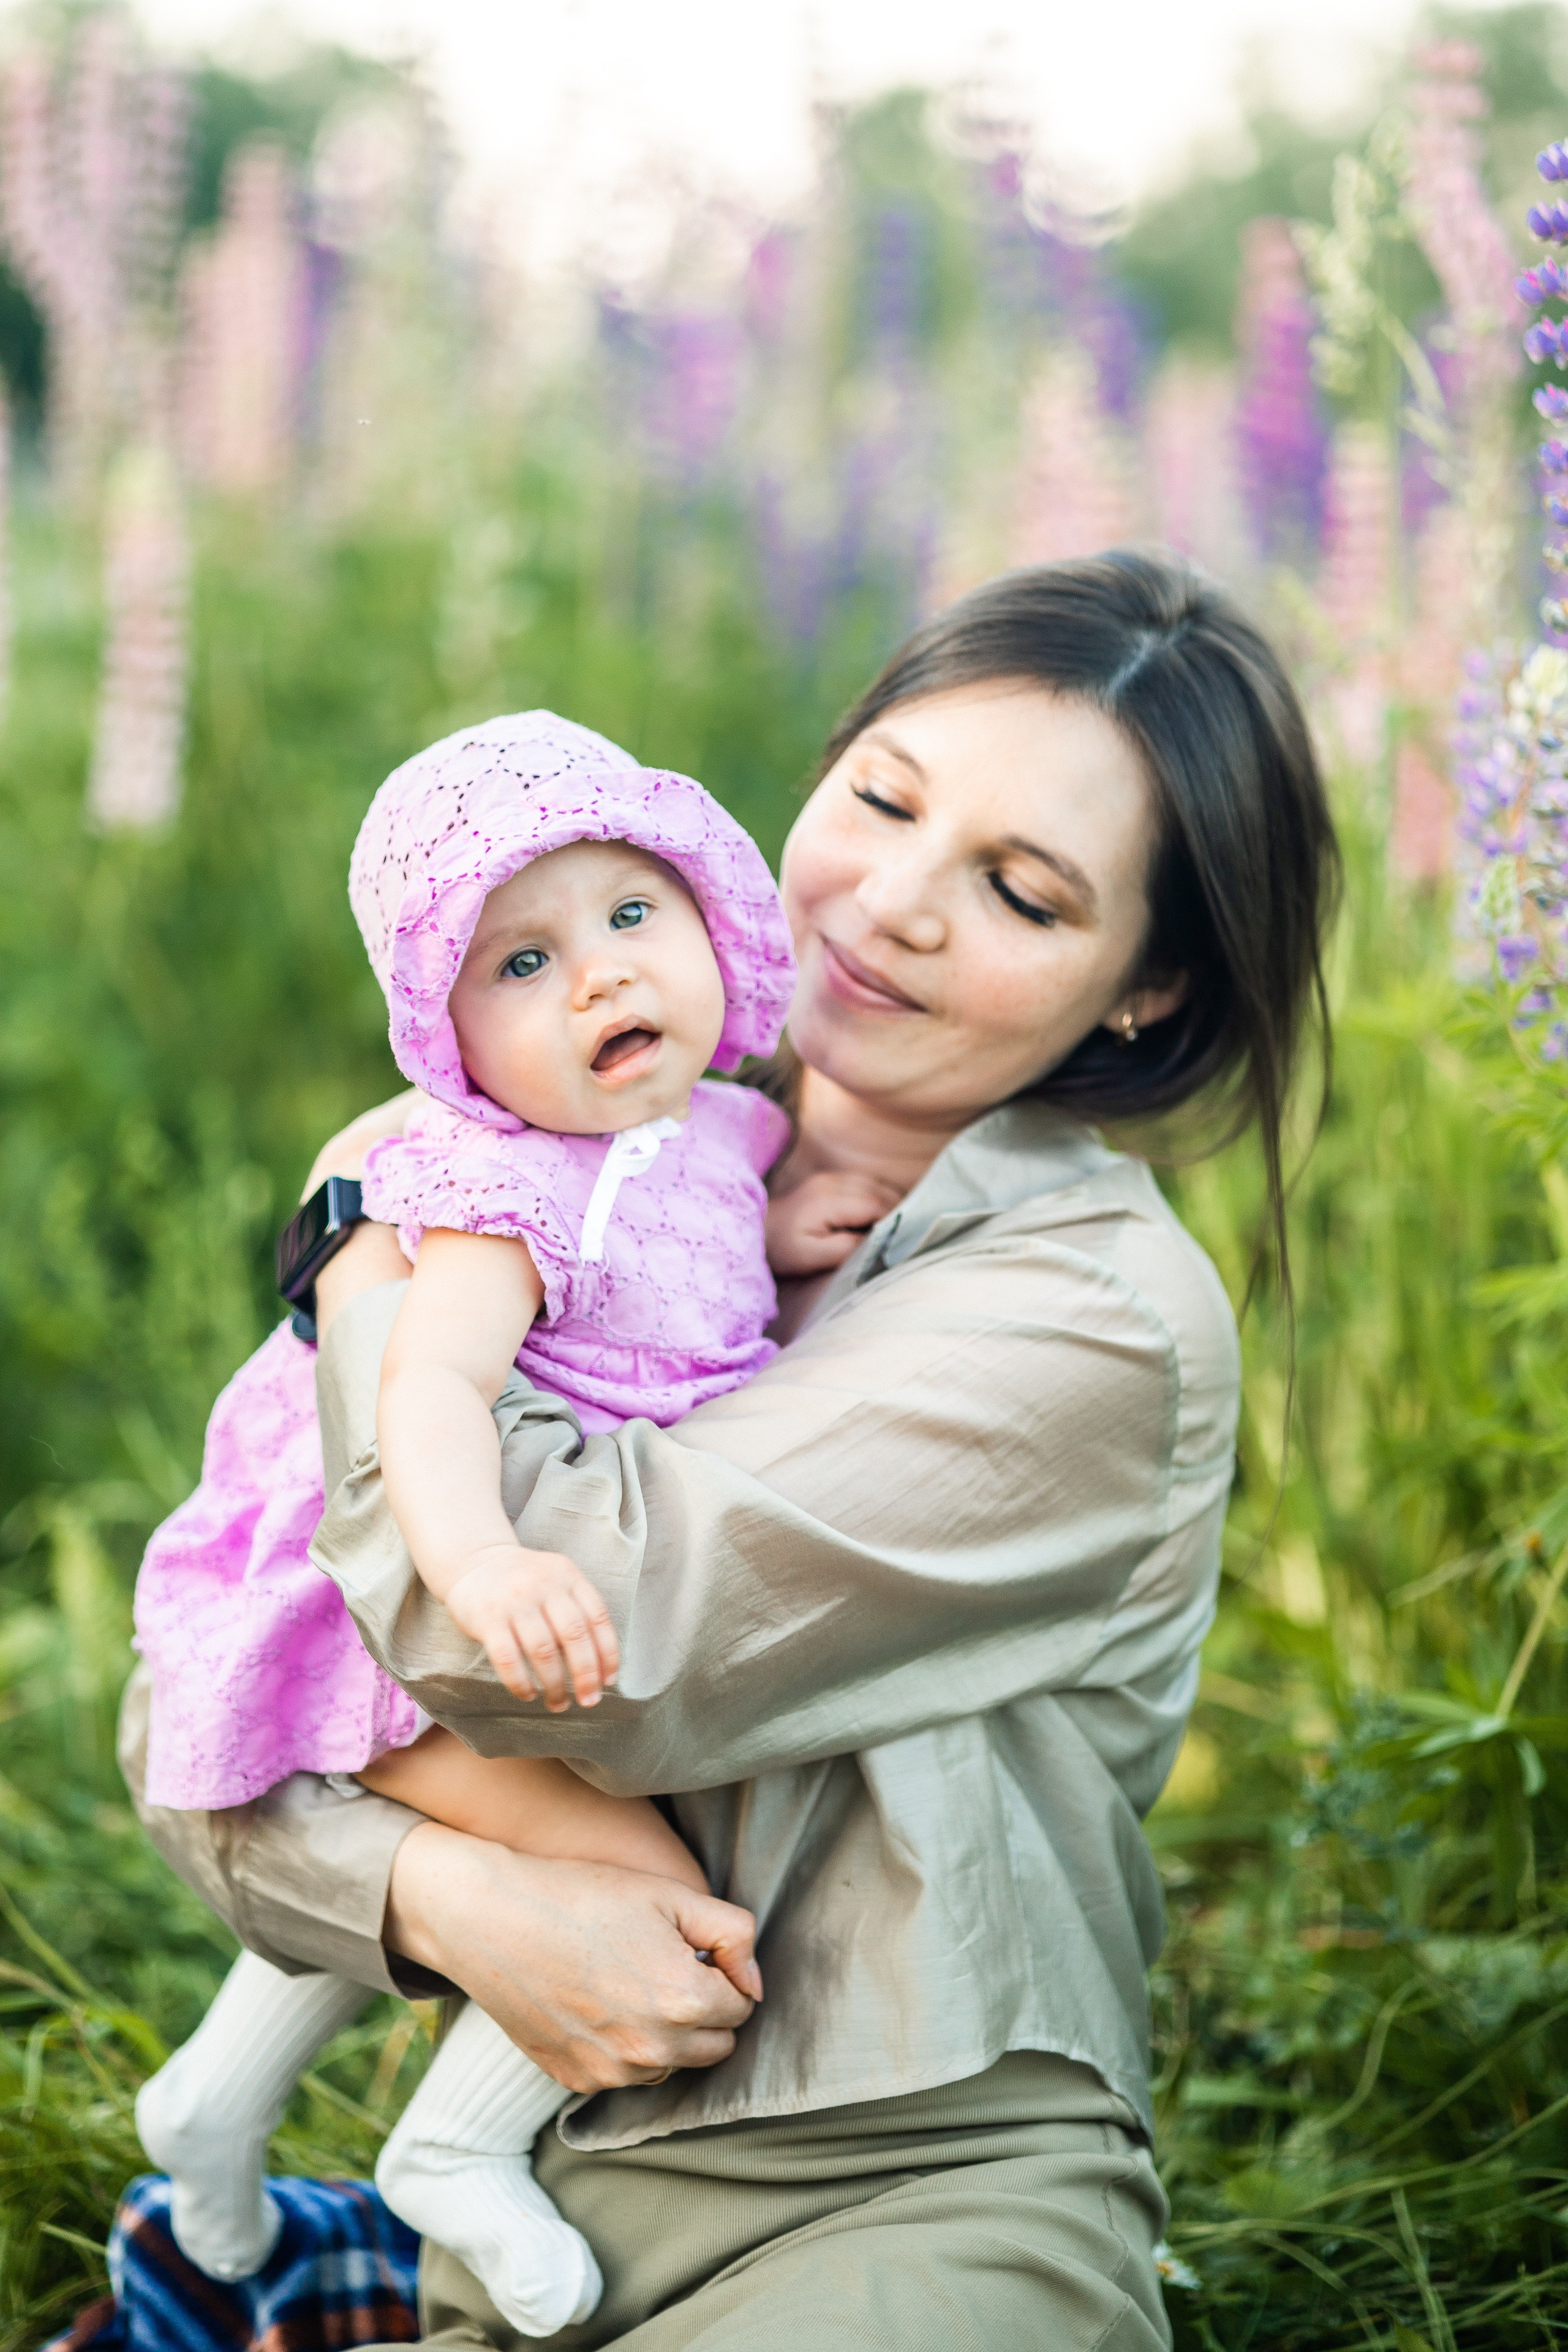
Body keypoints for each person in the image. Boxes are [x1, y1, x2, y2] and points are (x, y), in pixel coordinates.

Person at [121, 549, 1339, 2351]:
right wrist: (447, 1898)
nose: (896, 904)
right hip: (538, 2226)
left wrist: (364, 1241)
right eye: (885, 797)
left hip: (903, 2200)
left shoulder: (1093, 1314)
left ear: (1147, 986)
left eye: (1018, 888)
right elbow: (205, 1689)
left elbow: (527, 1654)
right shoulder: (642, 1176)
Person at [130, 714, 883, 2334]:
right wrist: (479, 1563)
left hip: (528, 1588)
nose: (603, 979)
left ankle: (213, 2097)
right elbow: (423, 1395)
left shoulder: (725, 1131)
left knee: (494, 1843)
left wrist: (780, 1214)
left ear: (704, 915)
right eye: (522, 964)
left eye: (629, 917)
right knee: (644, 1897)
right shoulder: (502, 1195)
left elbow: (707, 1211)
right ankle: (453, 2149)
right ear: (454, 1038)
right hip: (405, 1607)